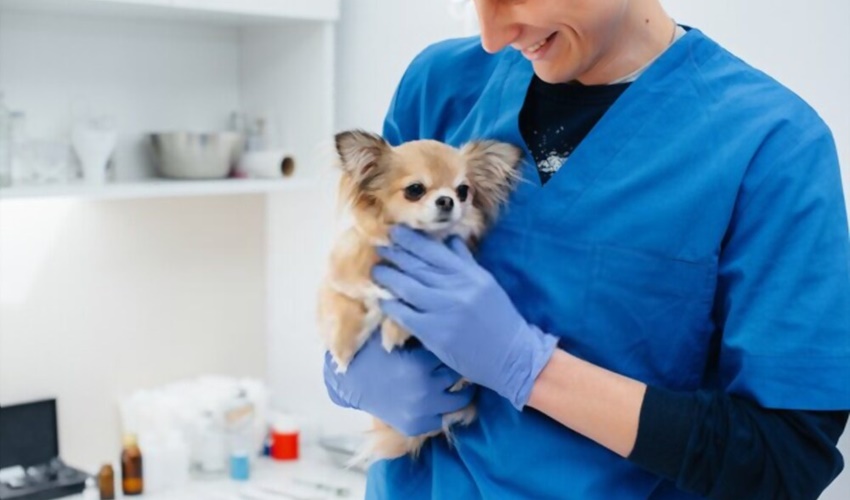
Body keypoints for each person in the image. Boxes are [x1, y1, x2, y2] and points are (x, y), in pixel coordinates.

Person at [323, 0, 850, 498]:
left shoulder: (772, 146)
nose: (492, 36)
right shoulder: (440, 86)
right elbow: (361, 272)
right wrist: (347, 368)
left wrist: (528, 368)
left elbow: (784, 462)